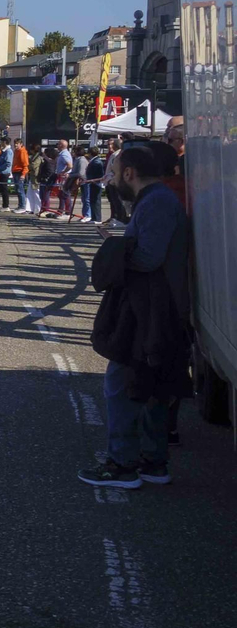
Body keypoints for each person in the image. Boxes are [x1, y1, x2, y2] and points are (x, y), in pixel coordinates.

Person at [79, 142, 192, 489]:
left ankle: (123, 464)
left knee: (122, 384)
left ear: (130, 173)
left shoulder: (156, 202)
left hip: (150, 309)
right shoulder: (154, 201)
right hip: (154, 305)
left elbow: (147, 258)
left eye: (114, 173)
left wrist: (114, 249)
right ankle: (152, 462)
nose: (112, 179)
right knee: (148, 385)